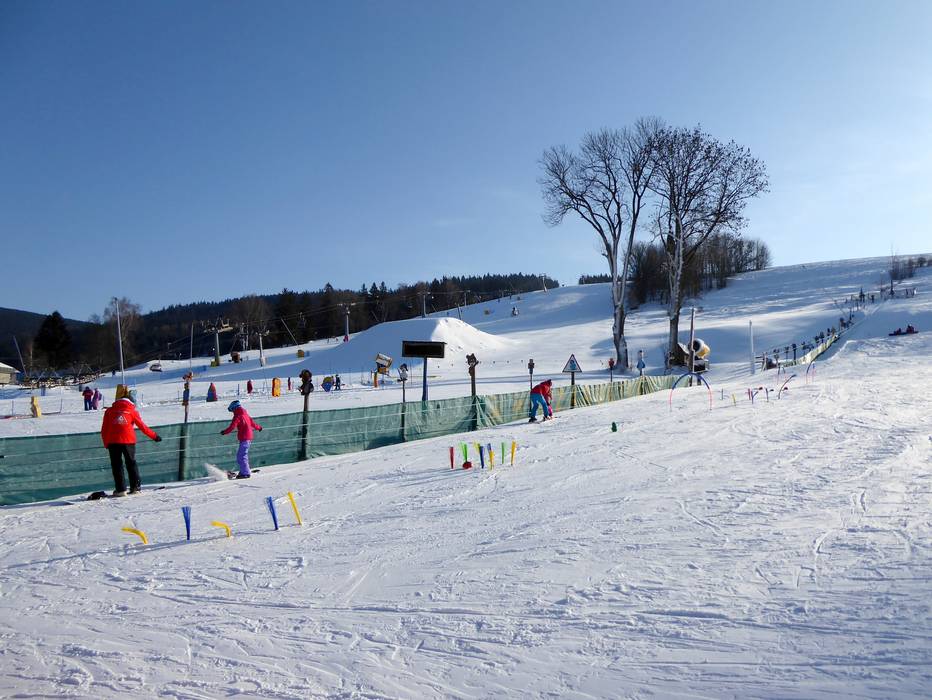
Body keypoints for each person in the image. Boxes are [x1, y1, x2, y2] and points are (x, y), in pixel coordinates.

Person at [100, 394, 161, 496]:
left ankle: (121, 490)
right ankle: (135, 487)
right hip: (128, 440)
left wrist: (106, 443)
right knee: (131, 463)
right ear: (130, 402)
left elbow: (104, 429)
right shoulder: (132, 411)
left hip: (113, 441)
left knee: (116, 465)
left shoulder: (109, 411)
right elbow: (142, 426)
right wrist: (154, 436)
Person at [221, 400, 262, 479]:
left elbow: (232, 427)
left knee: (241, 456)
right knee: (242, 455)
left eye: (232, 410)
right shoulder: (245, 414)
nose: (232, 412)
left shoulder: (238, 416)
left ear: (234, 408)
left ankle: (245, 473)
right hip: (248, 437)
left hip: (244, 437)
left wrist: (224, 432)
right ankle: (244, 470)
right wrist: (259, 427)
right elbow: (252, 423)